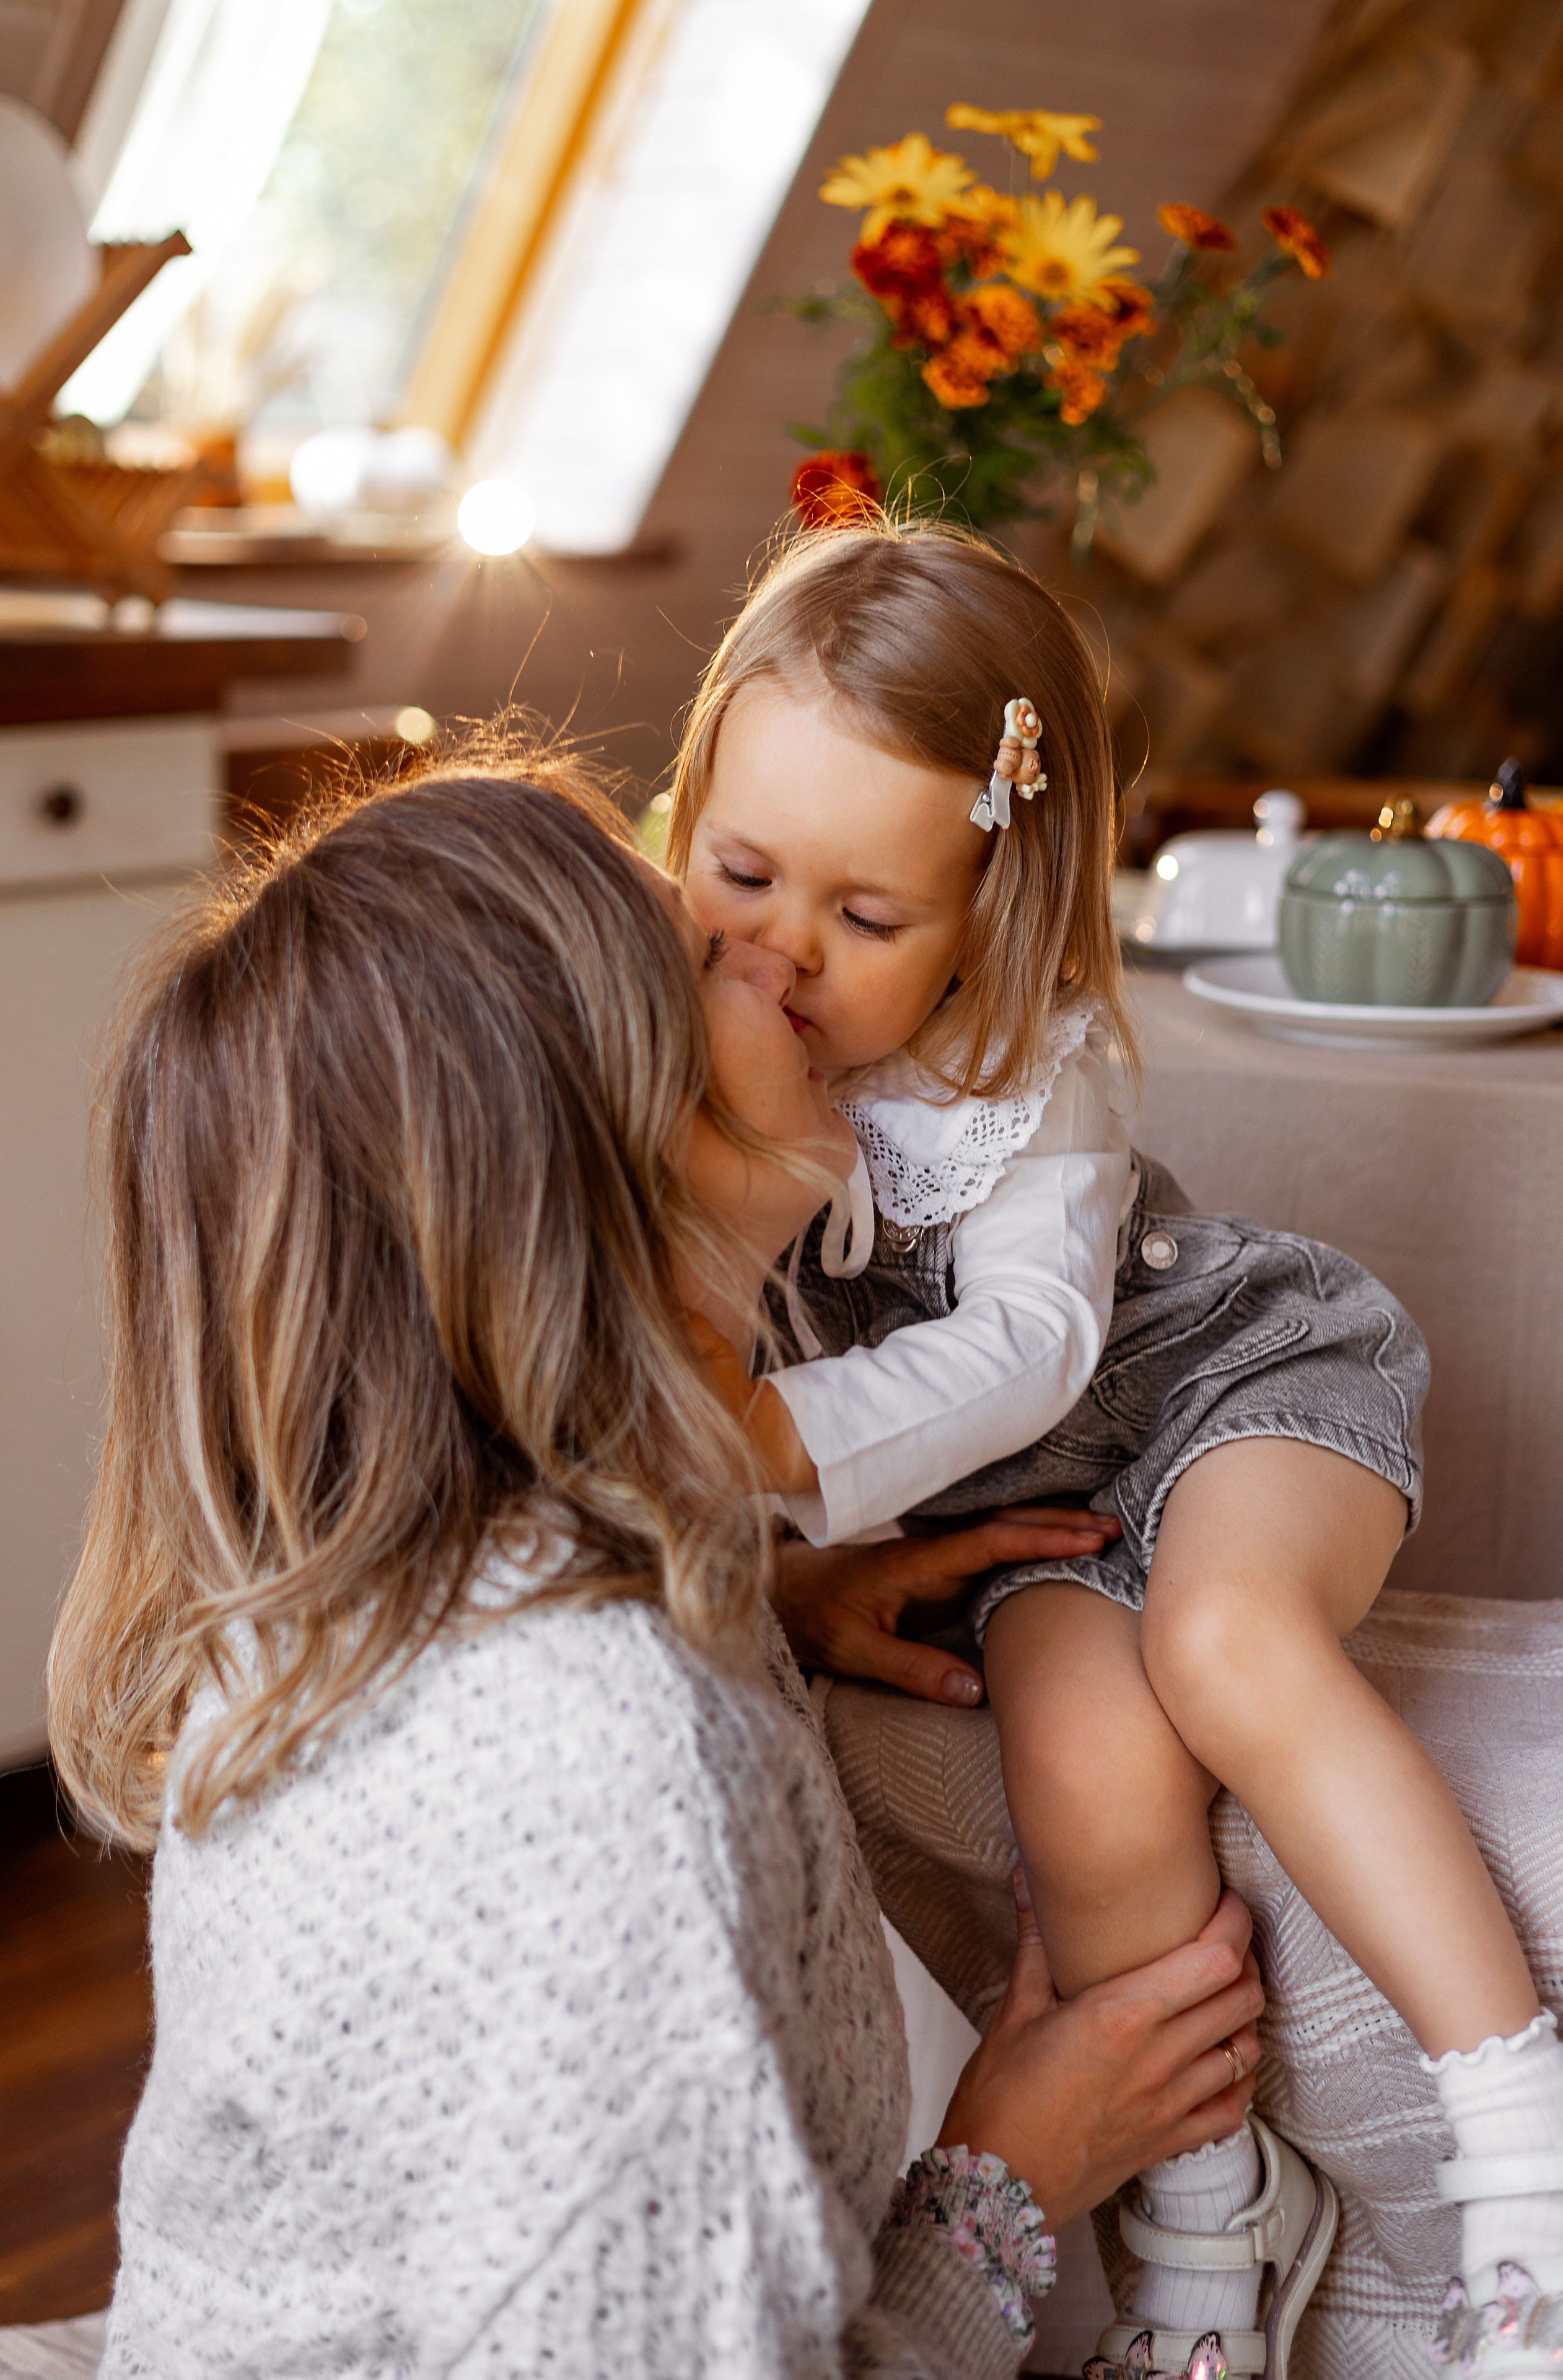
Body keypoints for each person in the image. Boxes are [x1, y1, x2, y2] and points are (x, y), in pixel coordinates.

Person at [47, 747, 1263, 2380]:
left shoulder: (414, 1588)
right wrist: (1004, 2180)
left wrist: (768, 1587)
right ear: (609, 1135)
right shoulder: (590, 1763)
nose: (777, 954)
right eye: (703, 946)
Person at [671, 517, 1563, 2380]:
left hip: (1221, 1389)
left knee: (1225, 1648)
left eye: (863, 920)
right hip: (1033, 1520)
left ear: (986, 918)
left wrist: (771, 1436)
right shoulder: (664, 1019)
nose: (779, 951)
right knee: (1087, 1780)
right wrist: (779, 1558)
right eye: (743, 871)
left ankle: (1529, 2153)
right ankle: (1208, 2220)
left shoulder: (1031, 1060)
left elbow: (1034, 1344)